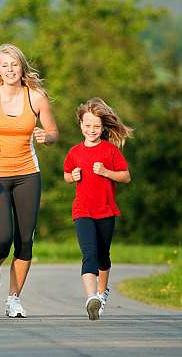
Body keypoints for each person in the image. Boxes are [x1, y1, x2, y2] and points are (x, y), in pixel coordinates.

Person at [0, 43, 58, 318]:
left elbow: (53, 132)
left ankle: (14, 299)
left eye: (14, 64)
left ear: (21, 68)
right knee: (3, 238)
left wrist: (46, 137)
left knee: (25, 240)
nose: (9, 70)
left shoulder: (36, 98)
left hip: (29, 173)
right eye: (4, 65)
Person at [63, 97, 132, 320]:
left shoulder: (110, 151)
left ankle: (102, 293)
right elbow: (66, 174)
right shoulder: (74, 152)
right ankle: (91, 298)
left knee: (103, 256)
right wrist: (71, 177)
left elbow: (125, 176)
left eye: (96, 126)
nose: (91, 130)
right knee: (89, 254)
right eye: (87, 125)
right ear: (81, 125)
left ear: (102, 128)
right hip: (82, 211)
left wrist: (106, 172)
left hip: (106, 211)